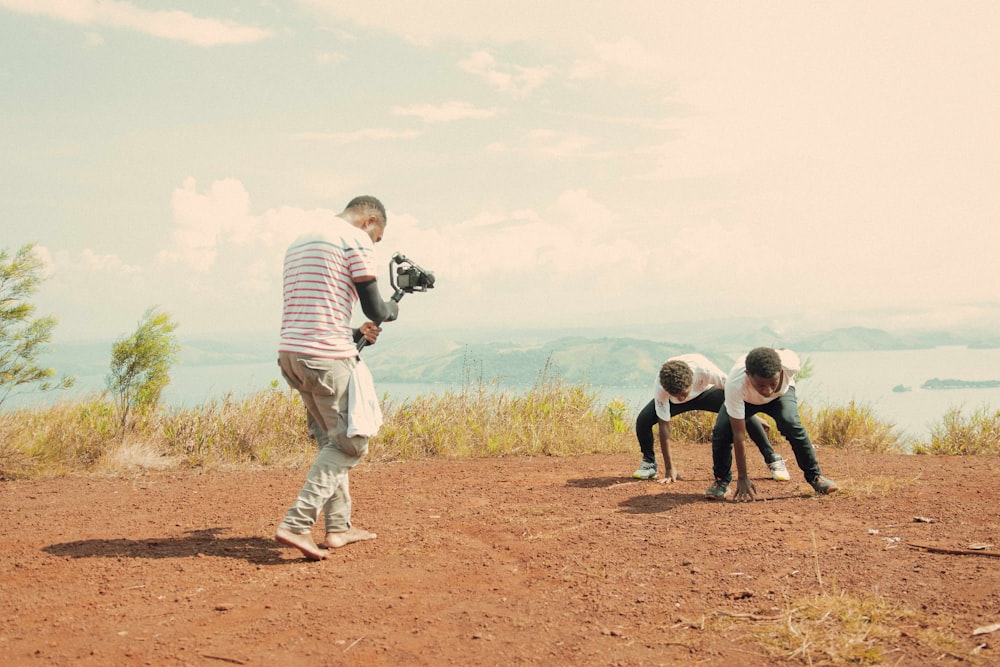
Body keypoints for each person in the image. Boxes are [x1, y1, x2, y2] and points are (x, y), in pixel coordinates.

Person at [274, 195, 399, 560]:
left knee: (332, 439)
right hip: (325, 357)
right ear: (370, 221)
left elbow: (316, 307)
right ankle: (297, 525)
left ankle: (339, 527)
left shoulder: (302, 239)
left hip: (293, 354)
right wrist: (390, 309)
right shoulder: (355, 238)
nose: (374, 245)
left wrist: (349, 332)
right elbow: (376, 307)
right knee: (351, 443)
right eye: (378, 238)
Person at [706, 347, 839, 502]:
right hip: (746, 400)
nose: (768, 390)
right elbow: (739, 434)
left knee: (792, 424)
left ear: (781, 371)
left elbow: (784, 351)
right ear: (748, 375)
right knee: (722, 431)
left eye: (773, 383)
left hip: (781, 396)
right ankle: (722, 481)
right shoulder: (735, 384)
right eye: (761, 385)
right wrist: (742, 477)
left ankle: (815, 477)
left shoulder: (790, 364)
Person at [632, 353, 789, 483]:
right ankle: (649, 463)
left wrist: (751, 414)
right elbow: (664, 426)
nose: (681, 399)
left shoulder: (705, 370)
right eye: (676, 395)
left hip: (706, 393)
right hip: (670, 398)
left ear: (691, 381)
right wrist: (669, 468)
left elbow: (735, 393)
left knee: (743, 416)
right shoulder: (662, 385)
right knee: (643, 421)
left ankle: (772, 459)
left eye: (684, 394)